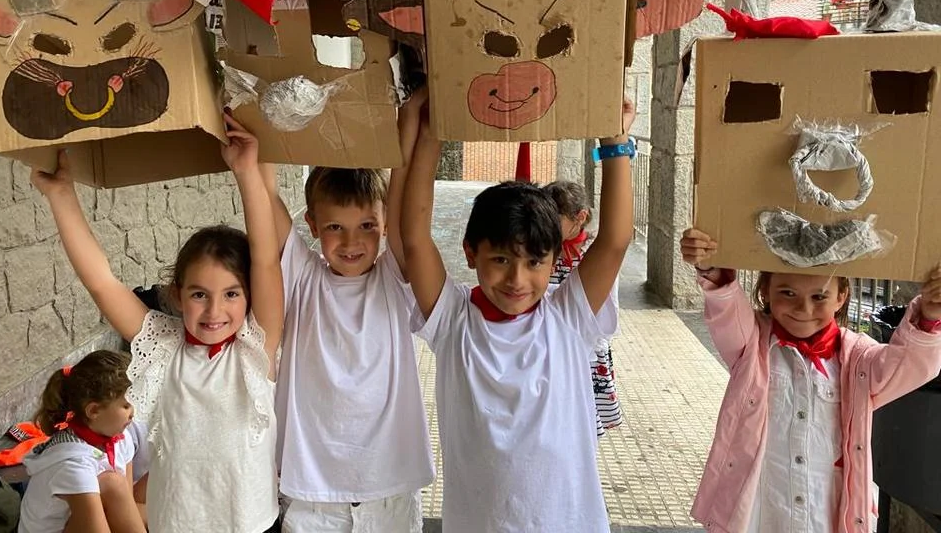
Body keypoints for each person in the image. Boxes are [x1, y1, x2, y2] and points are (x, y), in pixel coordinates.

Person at [31, 114, 283, 533]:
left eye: (231, 294)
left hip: (252, 524)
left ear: (250, 296)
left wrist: (245, 172)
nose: (214, 310)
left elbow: (267, 260)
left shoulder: (255, 349)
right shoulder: (163, 348)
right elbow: (102, 283)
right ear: (177, 294)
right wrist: (61, 196)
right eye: (199, 294)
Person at [401, 95, 636, 532]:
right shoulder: (453, 320)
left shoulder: (569, 317)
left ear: (555, 261)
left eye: (534, 262)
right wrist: (432, 135)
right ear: (470, 253)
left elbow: (615, 239)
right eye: (501, 259)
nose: (517, 279)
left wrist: (615, 141)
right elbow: (414, 239)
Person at [681, 228, 941, 532]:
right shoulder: (751, 344)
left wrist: (930, 313)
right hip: (761, 515)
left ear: (841, 297)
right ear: (765, 290)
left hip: (825, 516)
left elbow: (910, 365)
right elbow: (726, 308)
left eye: (819, 296)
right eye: (787, 293)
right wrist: (712, 267)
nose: (803, 309)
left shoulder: (859, 361)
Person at [264, 90, 434, 533]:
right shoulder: (303, 278)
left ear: (383, 225)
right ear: (312, 225)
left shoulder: (393, 279)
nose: (351, 242)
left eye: (367, 226)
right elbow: (265, 195)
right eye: (335, 227)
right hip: (312, 495)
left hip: (389, 491)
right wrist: (262, 114)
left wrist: (408, 122)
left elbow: (402, 200)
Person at [19, 350, 144, 533]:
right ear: (93, 411)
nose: (133, 412)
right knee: (112, 483)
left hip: (87, 520)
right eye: (126, 405)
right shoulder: (73, 464)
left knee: (171, 465)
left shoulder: (119, 438)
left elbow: (126, 505)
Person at [545, 180, 622, 437]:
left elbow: (607, 300)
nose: (547, 227)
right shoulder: (544, 247)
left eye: (555, 221)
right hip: (548, 339)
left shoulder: (594, 253)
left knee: (584, 419)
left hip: (585, 340)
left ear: (580, 217)